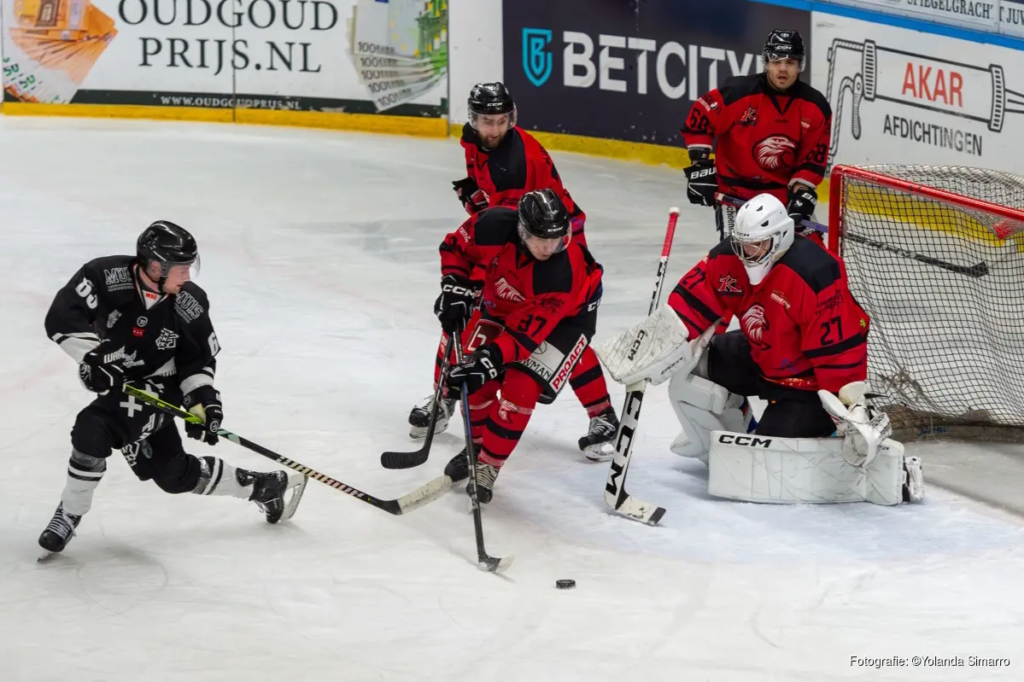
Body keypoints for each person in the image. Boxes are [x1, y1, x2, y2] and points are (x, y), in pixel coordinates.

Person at [594, 194, 924, 505]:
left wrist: (850, 411)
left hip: (806, 385)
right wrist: (652, 344)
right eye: (743, 245)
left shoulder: (814, 273)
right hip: (760, 355)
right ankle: (725, 439)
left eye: (756, 246)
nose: (746, 254)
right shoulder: (729, 259)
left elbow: (839, 351)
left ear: (779, 239)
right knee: (691, 365)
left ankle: (842, 445)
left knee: (765, 465)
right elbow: (692, 302)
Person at [39, 221, 303, 556]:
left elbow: (198, 359)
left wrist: (202, 401)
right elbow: (63, 317)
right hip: (123, 381)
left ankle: (69, 513)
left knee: (94, 429)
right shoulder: (104, 276)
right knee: (171, 474)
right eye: (181, 269)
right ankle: (265, 486)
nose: (188, 277)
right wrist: (93, 358)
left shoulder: (188, 302)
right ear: (154, 266)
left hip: (162, 387)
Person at [408, 82, 619, 461]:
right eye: (486, 121)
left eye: (501, 121)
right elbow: (490, 219)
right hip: (517, 236)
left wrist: (468, 283)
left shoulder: (519, 165)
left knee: (554, 328)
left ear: (512, 118)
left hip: (553, 247)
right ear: (473, 119)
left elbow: (507, 229)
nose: (493, 129)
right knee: (459, 316)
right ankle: (445, 396)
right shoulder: (475, 140)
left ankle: (602, 414)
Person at [435, 189, 604, 502]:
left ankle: (488, 465)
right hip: (504, 304)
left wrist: (488, 361)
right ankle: (475, 448)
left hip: (568, 318)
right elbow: (455, 247)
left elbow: (521, 340)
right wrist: (455, 286)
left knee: (520, 386)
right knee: (474, 384)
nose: (549, 247)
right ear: (522, 230)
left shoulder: (560, 272)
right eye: (541, 239)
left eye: (556, 239)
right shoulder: (492, 224)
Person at [681, 29, 832, 242]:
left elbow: (810, 160)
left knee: (810, 257)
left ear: (800, 65)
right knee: (743, 257)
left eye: (790, 62)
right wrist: (699, 168)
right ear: (766, 62)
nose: (782, 69)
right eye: (776, 61)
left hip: (781, 197)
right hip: (734, 193)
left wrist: (801, 197)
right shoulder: (736, 93)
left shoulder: (816, 107)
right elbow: (699, 119)